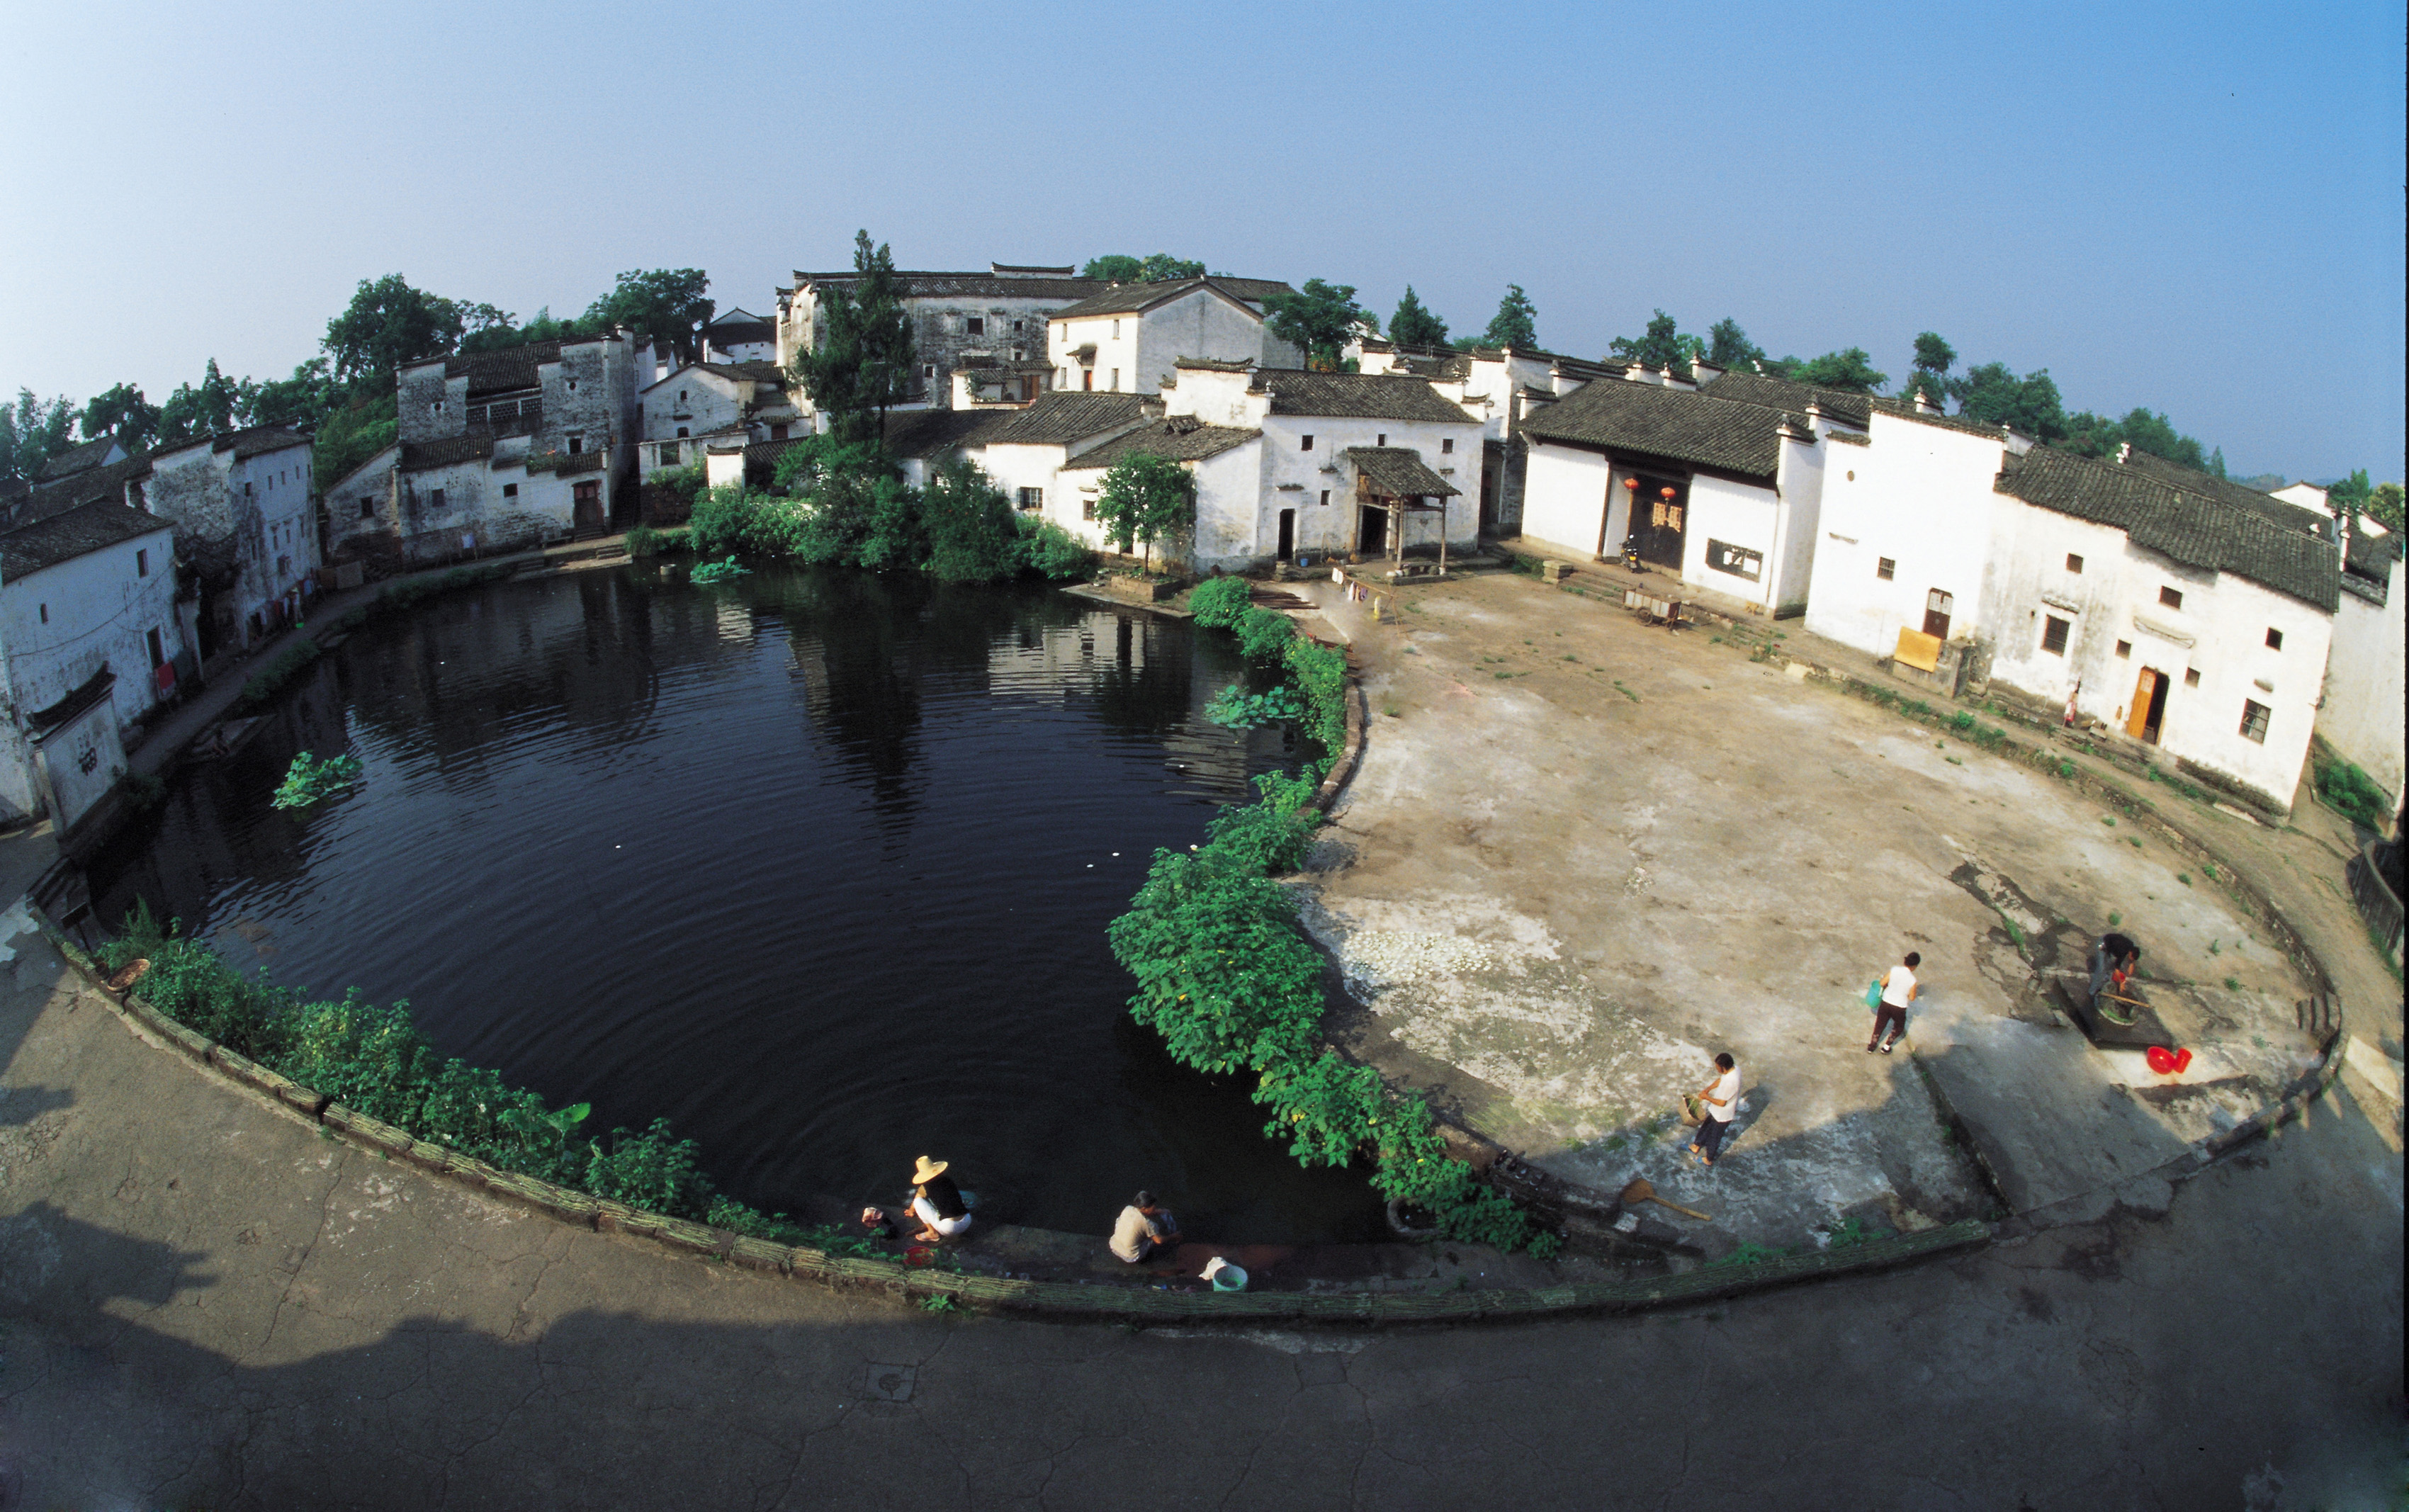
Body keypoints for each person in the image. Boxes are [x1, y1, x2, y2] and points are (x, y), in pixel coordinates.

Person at [1688, 1053, 1742, 1168]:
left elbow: (1722, 1103)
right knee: (1706, 1127)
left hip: (1723, 1116)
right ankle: (1697, 1145)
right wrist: (1707, 1089)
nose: (1717, 1069)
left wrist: (1706, 1097)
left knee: (1714, 1138)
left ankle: (1709, 1159)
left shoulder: (1731, 1083)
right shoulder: (1735, 1069)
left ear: (1724, 1067)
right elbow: (1720, 1080)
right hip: (1715, 1111)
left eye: (1718, 1067)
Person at [906, 1156, 971, 1243]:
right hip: (967, 1219)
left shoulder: (926, 1187)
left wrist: (911, 1211)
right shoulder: (947, 1180)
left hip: (950, 1228)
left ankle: (931, 1233)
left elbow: (917, 1198)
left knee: (918, 1202)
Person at [1108, 1191, 1182, 1264]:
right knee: (1152, 1237)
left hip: (1114, 1246)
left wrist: (1159, 1211)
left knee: (1120, 1220)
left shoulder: (1128, 1209)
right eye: (1153, 1208)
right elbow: (1159, 1241)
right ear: (1144, 1208)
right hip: (1130, 1257)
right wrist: (1173, 1236)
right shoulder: (1148, 1224)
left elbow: (1143, 1214)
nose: (1155, 1208)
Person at [1870, 951, 1920, 1054]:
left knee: (1880, 1024)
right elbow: (1912, 998)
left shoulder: (1895, 970)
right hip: (1899, 1007)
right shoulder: (1912, 980)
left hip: (1886, 1002)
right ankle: (1886, 1046)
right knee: (1899, 1027)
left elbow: (1882, 983)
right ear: (1914, 966)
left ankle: (1872, 1045)